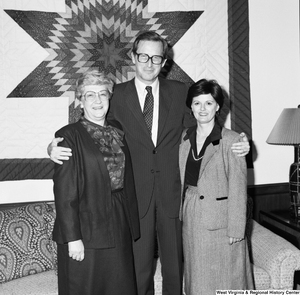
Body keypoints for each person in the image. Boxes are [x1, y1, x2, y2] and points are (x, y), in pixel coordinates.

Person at [48, 31, 250, 295]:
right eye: (143, 55)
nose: (149, 62)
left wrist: (239, 141)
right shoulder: (114, 95)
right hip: (134, 197)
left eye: (156, 57)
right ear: (133, 57)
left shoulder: (180, 92)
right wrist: (53, 145)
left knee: (174, 270)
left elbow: (202, 126)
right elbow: (93, 129)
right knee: (138, 271)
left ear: (164, 62)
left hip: (172, 194)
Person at [52, 70, 140, 295]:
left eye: (103, 93)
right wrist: (73, 238)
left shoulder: (117, 130)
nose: (98, 100)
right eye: (90, 95)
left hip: (118, 219)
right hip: (85, 226)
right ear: (80, 101)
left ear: (110, 98)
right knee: (86, 287)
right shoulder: (68, 136)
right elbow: (64, 193)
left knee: (119, 284)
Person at [179, 79, 254, 295]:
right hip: (192, 216)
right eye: (197, 103)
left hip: (222, 222)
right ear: (190, 107)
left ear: (218, 106)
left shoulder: (232, 141)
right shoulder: (185, 137)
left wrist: (236, 228)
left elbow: (239, 187)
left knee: (227, 279)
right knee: (198, 280)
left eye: (209, 103)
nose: (203, 109)